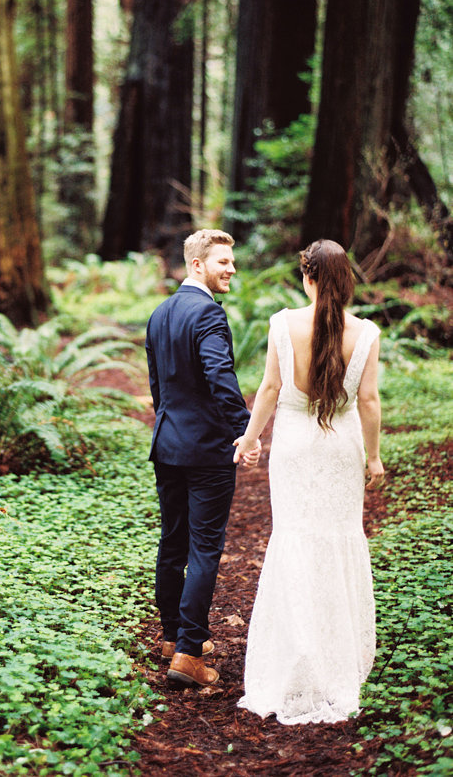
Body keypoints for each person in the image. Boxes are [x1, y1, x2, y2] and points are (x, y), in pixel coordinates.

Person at [233, 239, 386, 724]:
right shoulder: (365, 333)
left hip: (295, 450)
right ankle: (336, 664)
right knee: (339, 543)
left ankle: (294, 660)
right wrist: (375, 458)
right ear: (346, 281)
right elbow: (369, 402)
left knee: (295, 542)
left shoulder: (283, 323)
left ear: (308, 277)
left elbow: (271, 390)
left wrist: (249, 439)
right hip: (343, 451)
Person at [146, 229, 261, 687]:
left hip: (168, 444)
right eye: (222, 262)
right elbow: (220, 375)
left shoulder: (159, 314)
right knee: (204, 548)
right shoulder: (209, 315)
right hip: (208, 451)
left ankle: (172, 635)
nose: (231, 268)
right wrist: (244, 432)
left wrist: (170, 426)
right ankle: (189, 653)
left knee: (173, 542)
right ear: (197, 265)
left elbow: (159, 388)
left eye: (232, 261)